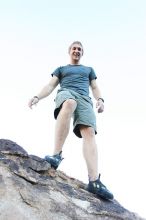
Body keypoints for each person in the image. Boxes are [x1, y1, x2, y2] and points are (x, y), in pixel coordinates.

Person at [28, 41, 114, 200]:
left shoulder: (88, 70)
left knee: (89, 132)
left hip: (85, 99)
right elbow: (50, 85)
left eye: (80, 49)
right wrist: (37, 97)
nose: (77, 51)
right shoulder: (61, 69)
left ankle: (94, 181)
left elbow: (94, 87)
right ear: (69, 51)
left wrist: (100, 99)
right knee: (69, 103)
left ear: (82, 53)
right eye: (74, 48)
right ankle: (56, 155)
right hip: (66, 92)